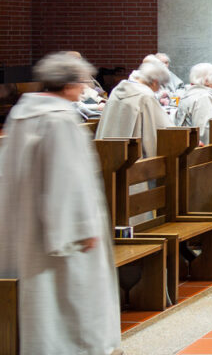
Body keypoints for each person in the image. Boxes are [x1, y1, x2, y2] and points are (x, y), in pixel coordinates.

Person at [0, 52, 121, 355]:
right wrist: (82, 228)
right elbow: (67, 178)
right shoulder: (60, 120)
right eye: (80, 82)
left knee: (42, 299)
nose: (84, 88)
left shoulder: (21, 114)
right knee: (72, 297)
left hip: (26, 222)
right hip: (63, 229)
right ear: (67, 84)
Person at [96, 61, 171, 157]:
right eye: (160, 85)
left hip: (107, 152)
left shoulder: (115, 90)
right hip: (132, 156)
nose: (159, 90)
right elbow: (165, 128)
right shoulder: (145, 96)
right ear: (155, 82)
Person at [173, 63, 212, 145]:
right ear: (207, 81)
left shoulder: (192, 94)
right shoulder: (203, 98)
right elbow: (205, 132)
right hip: (205, 149)